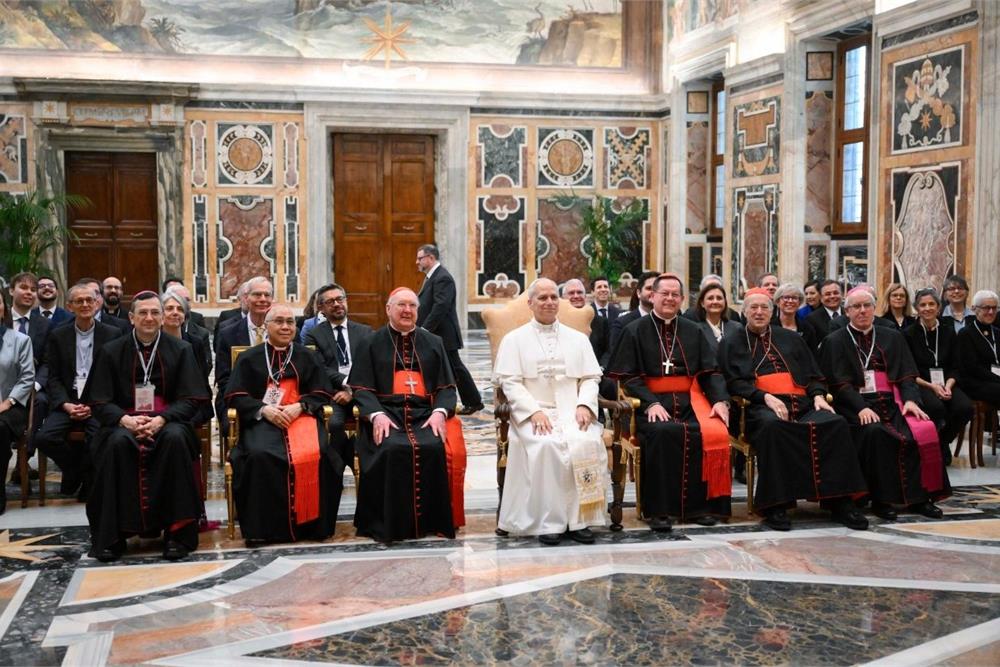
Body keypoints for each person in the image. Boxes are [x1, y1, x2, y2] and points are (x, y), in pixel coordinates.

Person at [718, 288, 869, 531]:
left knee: (835, 423)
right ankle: (776, 505)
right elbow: (733, 382)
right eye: (753, 308)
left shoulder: (792, 338)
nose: (759, 312)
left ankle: (840, 502)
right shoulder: (731, 342)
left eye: (764, 307)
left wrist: (818, 395)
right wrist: (764, 397)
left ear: (772, 311)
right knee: (773, 427)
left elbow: (814, 374)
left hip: (803, 404)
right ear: (744, 312)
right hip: (758, 408)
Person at [85, 291, 210, 562]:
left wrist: (162, 419)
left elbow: (192, 399)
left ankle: (177, 535)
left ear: (163, 318)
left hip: (169, 421)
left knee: (175, 440)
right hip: (122, 422)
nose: (149, 318)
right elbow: (98, 400)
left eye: (155, 312)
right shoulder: (111, 351)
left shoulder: (182, 350)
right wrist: (125, 420)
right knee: (117, 443)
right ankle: (114, 537)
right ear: (131, 318)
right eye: (143, 313)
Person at [610, 274, 731, 530]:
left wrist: (720, 400)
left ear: (682, 299)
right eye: (664, 293)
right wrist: (650, 403)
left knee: (706, 431)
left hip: (691, 402)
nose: (670, 298)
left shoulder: (693, 330)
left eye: (675, 294)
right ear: (652, 296)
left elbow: (711, 372)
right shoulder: (635, 330)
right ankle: (660, 511)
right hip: (651, 405)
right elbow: (629, 377)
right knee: (662, 432)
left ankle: (700, 508)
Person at [494, 278, 609, 545]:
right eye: (542, 298)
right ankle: (549, 522)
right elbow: (510, 382)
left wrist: (584, 404)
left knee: (585, 441)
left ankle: (580, 520)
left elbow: (591, 377)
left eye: (553, 297)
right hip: (535, 413)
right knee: (546, 446)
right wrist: (533, 412)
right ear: (530, 303)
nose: (549, 302)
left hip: (572, 411)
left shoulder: (578, 339)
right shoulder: (514, 340)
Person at [820, 287, 950, 521]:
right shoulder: (835, 340)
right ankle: (881, 500)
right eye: (856, 307)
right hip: (855, 405)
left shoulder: (892, 336)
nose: (862, 311)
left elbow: (907, 374)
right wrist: (861, 407)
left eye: (867, 306)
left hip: (894, 401)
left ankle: (920, 498)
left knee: (922, 429)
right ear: (847, 311)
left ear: (874, 309)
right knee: (875, 433)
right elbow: (839, 384)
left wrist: (911, 400)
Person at [349, 287, 466, 543]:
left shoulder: (433, 342)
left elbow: (447, 387)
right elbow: (361, 388)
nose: (407, 310)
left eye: (412, 306)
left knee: (433, 447)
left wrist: (439, 412)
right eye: (401, 305)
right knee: (391, 448)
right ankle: (390, 525)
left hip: (425, 414)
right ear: (388, 309)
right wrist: (376, 415)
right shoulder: (370, 342)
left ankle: (432, 522)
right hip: (387, 414)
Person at [225, 304, 342, 545]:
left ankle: (311, 527)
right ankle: (263, 530)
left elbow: (322, 391)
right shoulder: (249, 358)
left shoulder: (307, 356)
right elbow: (234, 395)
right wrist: (263, 409)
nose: (286, 327)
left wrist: (300, 406)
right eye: (279, 321)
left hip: (301, 417)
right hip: (263, 419)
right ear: (266, 326)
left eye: (290, 322)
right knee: (258, 455)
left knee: (319, 453)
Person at [33, 283, 121, 500]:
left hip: (98, 401)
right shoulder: (58, 335)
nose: (85, 304)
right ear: (69, 306)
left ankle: (87, 481)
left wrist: (94, 404)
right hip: (68, 399)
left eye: (89, 300)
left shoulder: (112, 334)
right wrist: (65, 404)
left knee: (99, 438)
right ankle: (77, 471)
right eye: (79, 301)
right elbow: (53, 376)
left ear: (97, 304)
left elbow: (116, 375)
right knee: (44, 438)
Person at [304, 283, 373, 472]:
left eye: (340, 299)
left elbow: (371, 365)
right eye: (330, 301)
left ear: (346, 301)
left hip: (363, 391)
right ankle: (338, 469)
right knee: (333, 424)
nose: (336, 304)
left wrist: (352, 389)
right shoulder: (314, 335)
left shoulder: (365, 331)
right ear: (321, 307)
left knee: (376, 419)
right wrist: (344, 384)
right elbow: (319, 368)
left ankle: (367, 465)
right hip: (333, 393)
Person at [903, 288, 972, 465]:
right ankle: (931, 445)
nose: (927, 308)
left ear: (939, 307)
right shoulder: (908, 334)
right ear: (917, 308)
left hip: (947, 382)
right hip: (922, 383)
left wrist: (948, 386)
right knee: (936, 407)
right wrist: (932, 386)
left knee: (964, 408)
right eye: (923, 305)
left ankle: (942, 442)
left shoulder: (949, 331)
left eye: (931, 304)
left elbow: (956, 365)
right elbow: (909, 370)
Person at [415, 244, 483, 414]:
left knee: (455, 367)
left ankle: (474, 402)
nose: (417, 262)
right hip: (437, 334)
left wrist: (425, 329)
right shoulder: (433, 276)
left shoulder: (442, 277)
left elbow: (441, 306)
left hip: (443, 335)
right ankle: (440, 400)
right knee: (447, 368)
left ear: (431, 258)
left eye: (420, 258)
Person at [215, 276, 273, 438]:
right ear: (246, 298)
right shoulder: (228, 334)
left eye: (267, 295)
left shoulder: (284, 331)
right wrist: (252, 404)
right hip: (237, 398)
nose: (263, 299)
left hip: (277, 397)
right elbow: (224, 379)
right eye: (257, 294)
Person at [0, 293, 34, 515]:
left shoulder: (20, 340)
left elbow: (27, 377)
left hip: (11, 406)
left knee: (0, 427)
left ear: (3, 307)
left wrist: (8, 401)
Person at [161, 289, 213, 426]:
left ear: (185, 316)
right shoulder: (154, 342)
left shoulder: (196, 343)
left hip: (193, 402)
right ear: (160, 314)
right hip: (161, 402)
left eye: (180, 309)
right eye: (169, 308)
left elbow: (201, 380)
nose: (175, 312)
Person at [956, 290, 1000, 406]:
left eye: (994, 308)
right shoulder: (965, 333)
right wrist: (997, 378)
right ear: (975, 309)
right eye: (986, 308)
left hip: (996, 381)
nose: (991, 312)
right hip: (976, 382)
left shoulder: (997, 332)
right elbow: (973, 367)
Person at [609, 270, 659, 354]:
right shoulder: (622, 324)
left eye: (657, 289)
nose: (653, 292)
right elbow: (617, 356)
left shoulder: (670, 322)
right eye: (649, 288)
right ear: (639, 293)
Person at [563, 278, 610, 366]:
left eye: (579, 292)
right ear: (563, 297)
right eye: (571, 293)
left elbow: (608, 350)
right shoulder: (558, 322)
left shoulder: (601, 322)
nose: (576, 296)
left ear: (585, 296)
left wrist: (601, 368)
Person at [694, 283, 741, 352]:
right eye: (710, 298)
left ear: (725, 302)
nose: (715, 302)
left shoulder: (737, 329)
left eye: (719, 298)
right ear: (702, 303)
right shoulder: (695, 330)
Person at [803, 279, 844, 354]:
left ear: (842, 295)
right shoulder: (811, 319)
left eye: (835, 293)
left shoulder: (850, 314)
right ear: (821, 298)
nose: (832, 296)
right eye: (828, 294)